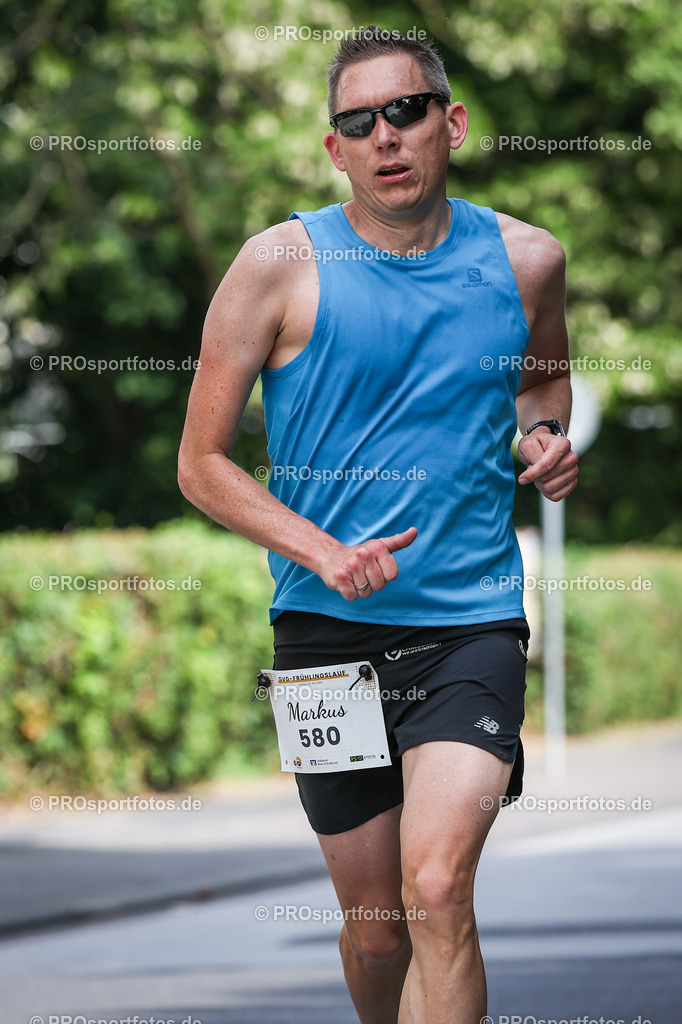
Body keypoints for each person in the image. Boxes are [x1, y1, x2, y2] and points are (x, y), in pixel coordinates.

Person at [178, 24, 578, 1024]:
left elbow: (541, 385)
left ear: (451, 122)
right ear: (333, 149)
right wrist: (321, 549)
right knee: (374, 924)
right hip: (322, 638)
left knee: (437, 888)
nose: (384, 138)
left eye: (404, 112)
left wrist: (544, 440)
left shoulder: (527, 259)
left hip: (470, 622)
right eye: (357, 122)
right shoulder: (276, 262)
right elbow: (200, 463)